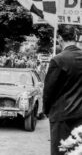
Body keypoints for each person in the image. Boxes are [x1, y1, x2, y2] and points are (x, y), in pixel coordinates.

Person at [43, 25, 82, 155]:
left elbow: (49, 91)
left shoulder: (58, 60)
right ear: (75, 37)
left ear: (59, 38)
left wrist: (46, 110)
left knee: (60, 151)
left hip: (61, 116)